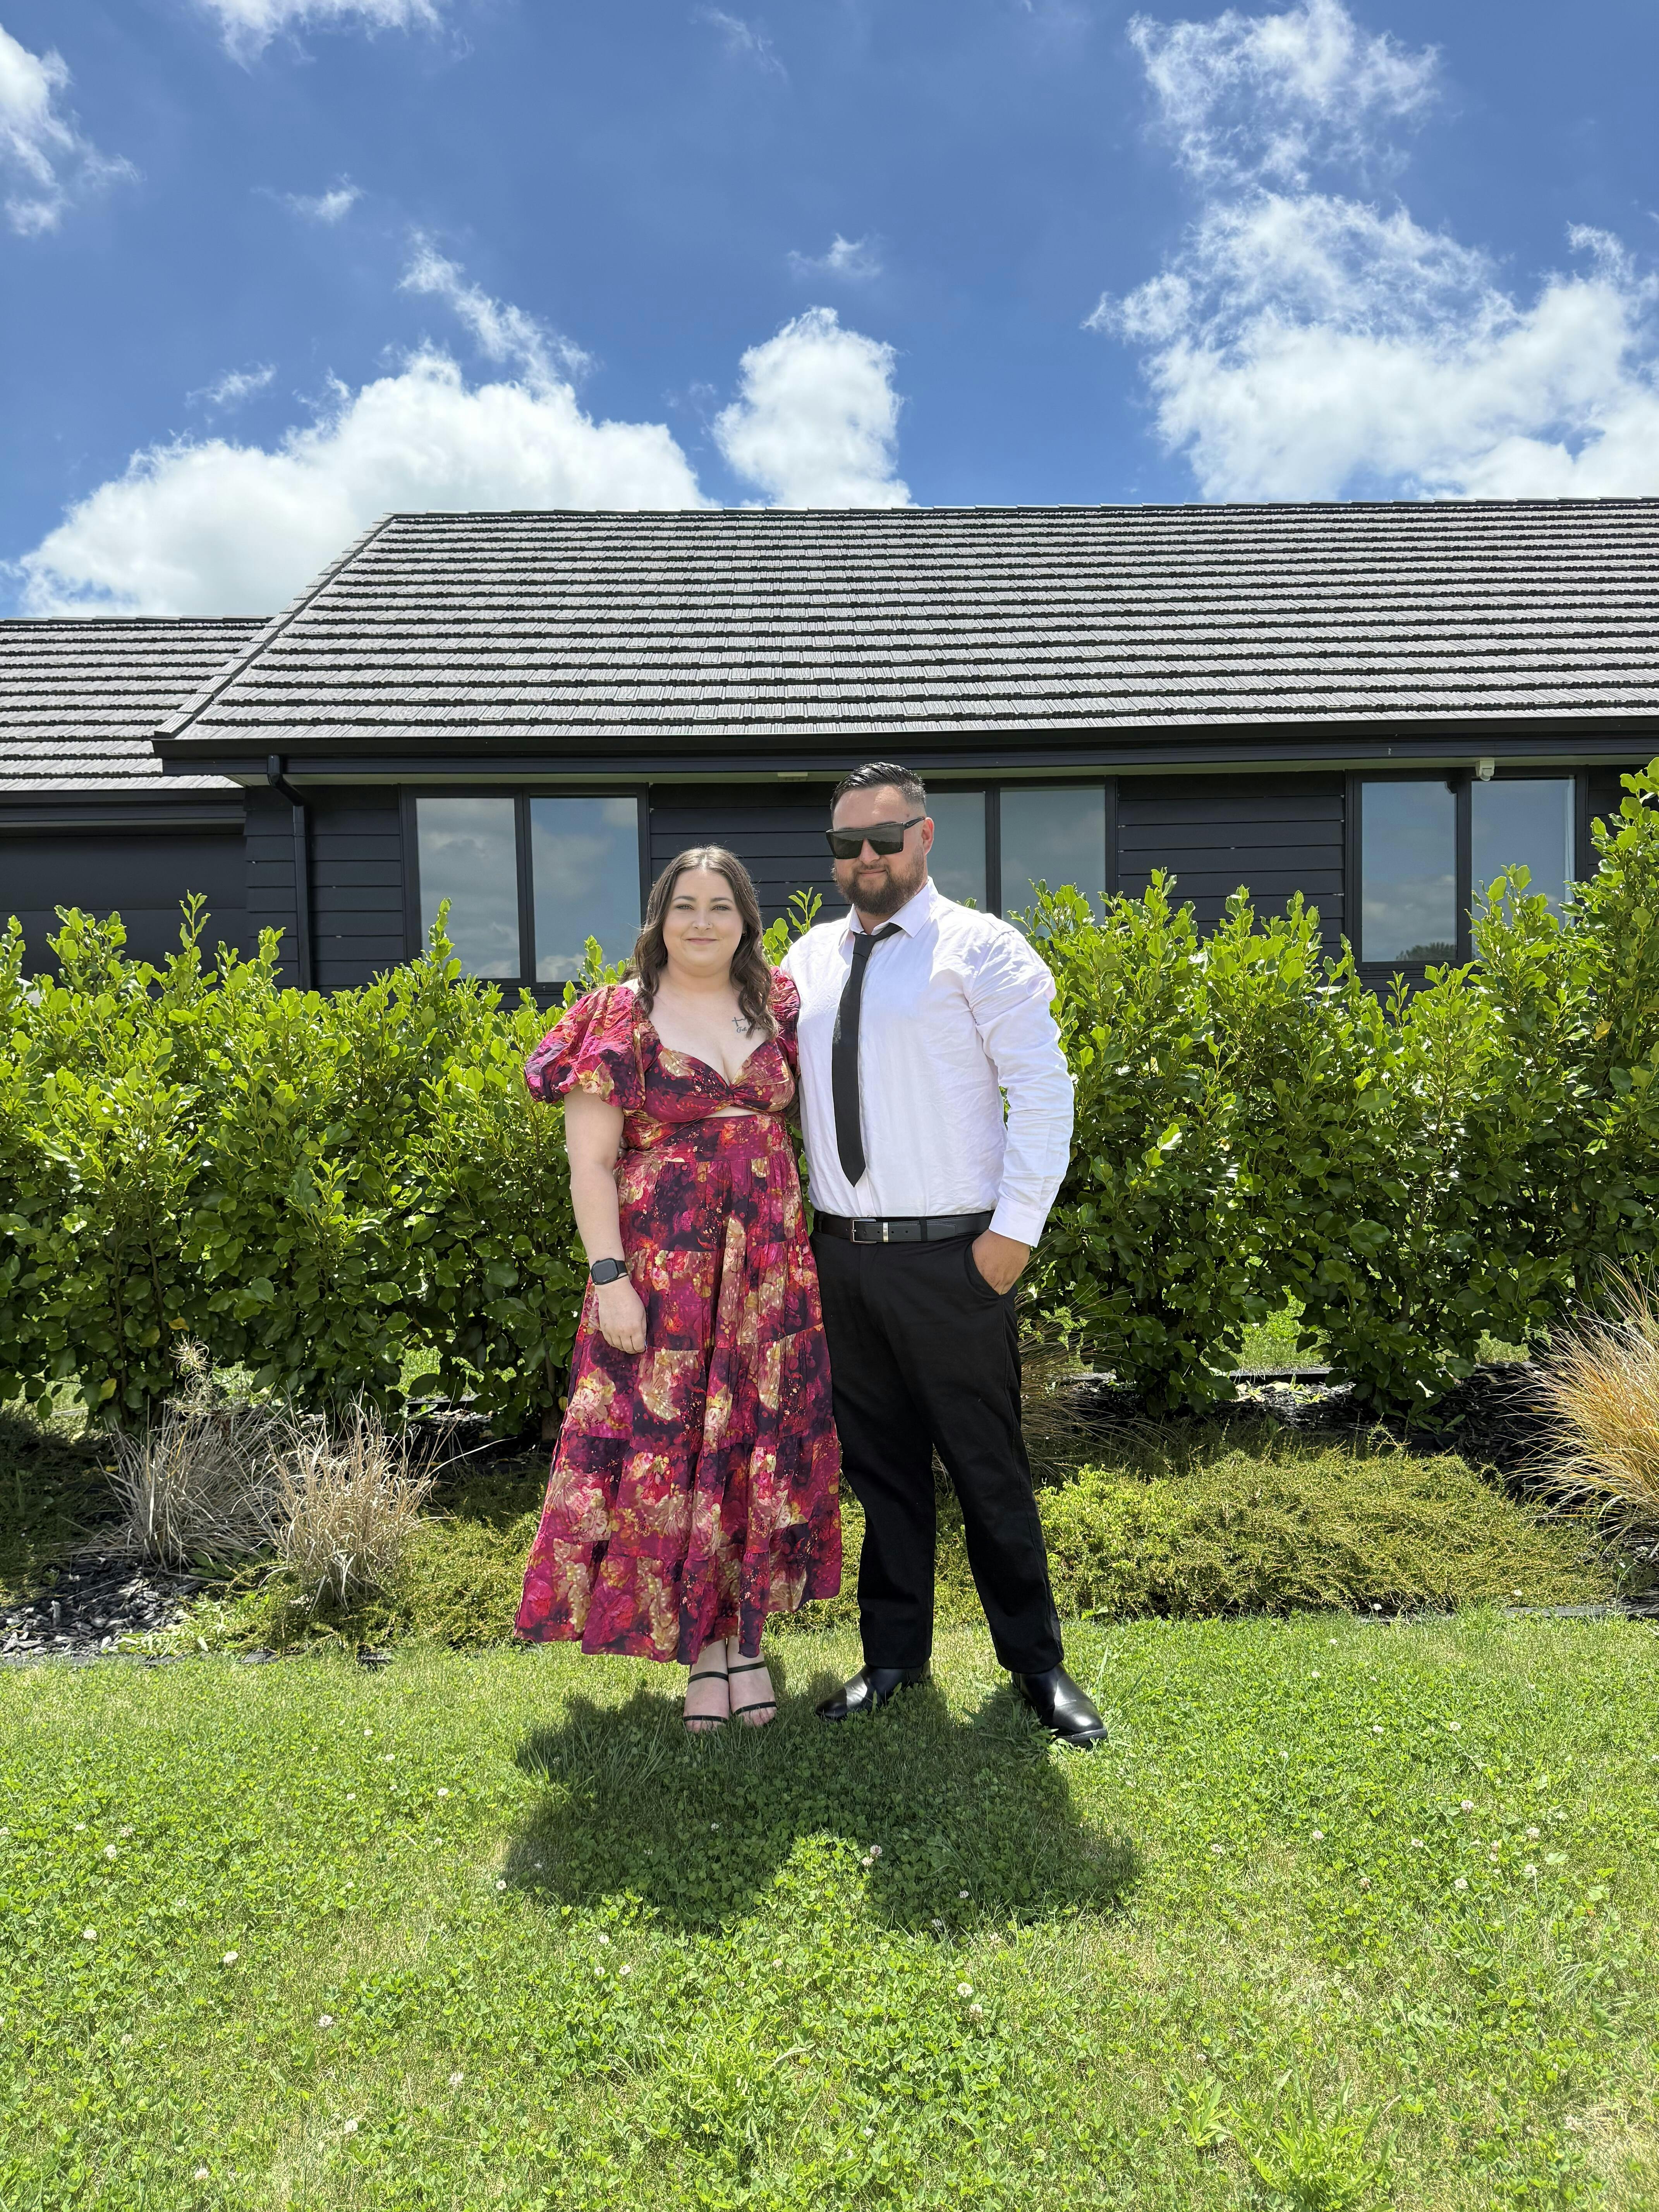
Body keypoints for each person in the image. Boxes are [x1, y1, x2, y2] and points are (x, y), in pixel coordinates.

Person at [780, 763, 1106, 1748]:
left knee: (987, 1469)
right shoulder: (808, 959)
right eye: (846, 843)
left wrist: (1010, 1240)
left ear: (925, 837)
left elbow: (1043, 1094)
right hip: (842, 1260)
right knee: (881, 1475)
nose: (865, 857)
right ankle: (893, 1658)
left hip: (954, 1260)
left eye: (884, 838)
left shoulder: (983, 949)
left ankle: (1036, 1666)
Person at [515, 847, 841, 1734]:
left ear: (746, 921)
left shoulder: (776, 1005)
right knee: (676, 1454)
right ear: (659, 919)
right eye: (685, 905)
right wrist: (609, 1281)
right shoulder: (619, 1015)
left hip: (770, 1273)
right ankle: (702, 1651)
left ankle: (746, 1640)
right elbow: (590, 1165)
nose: (703, 922)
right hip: (665, 1279)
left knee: (752, 1449)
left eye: (721, 905)